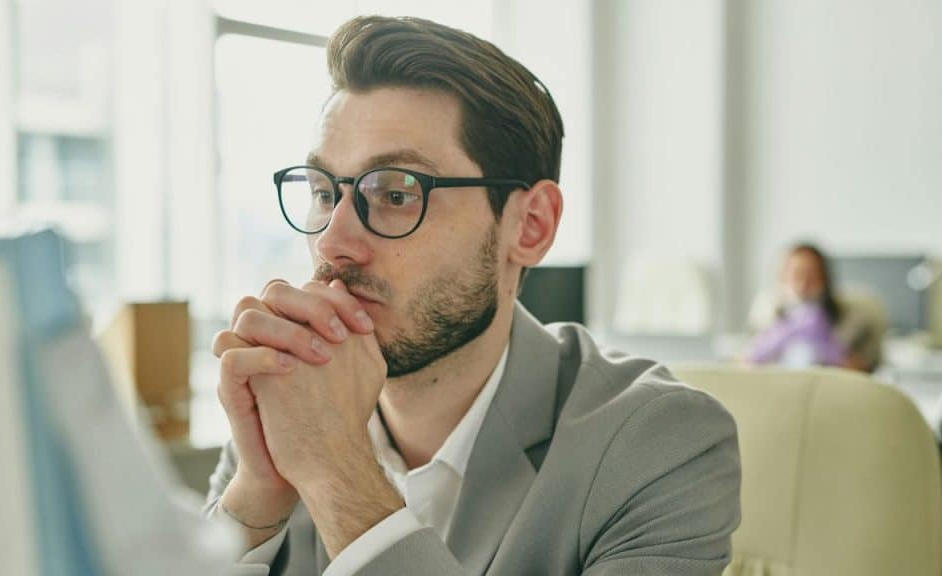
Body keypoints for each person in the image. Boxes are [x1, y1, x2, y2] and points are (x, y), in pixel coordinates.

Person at [205, 15, 741, 576]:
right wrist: (257, 496)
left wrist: (338, 472)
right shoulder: (291, 401)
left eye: (395, 192)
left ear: (530, 225)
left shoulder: (660, 445)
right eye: (322, 193)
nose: (333, 242)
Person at [748, 243, 881, 372]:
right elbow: (745, 366)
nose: (803, 284)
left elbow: (864, 372)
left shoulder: (852, 318)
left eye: (811, 275)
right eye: (796, 274)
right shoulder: (767, 316)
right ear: (782, 278)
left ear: (824, 278)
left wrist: (831, 350)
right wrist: (775, 340)